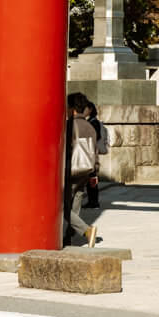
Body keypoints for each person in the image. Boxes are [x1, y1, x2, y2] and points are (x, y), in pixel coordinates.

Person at [64, 92, 99, 247]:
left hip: (71, 170)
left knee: (63, 208)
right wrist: (94, 173)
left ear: (72, 108)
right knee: (75, 205)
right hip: (86, 170)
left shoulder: (69, 125)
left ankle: (87, 230)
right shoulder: (90, 126)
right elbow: (95, 152)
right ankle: (68, 237)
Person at [81, 98, 109, 217]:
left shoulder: (93, 122)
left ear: (90, 109)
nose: (84, 111)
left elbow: (94, 138)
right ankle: (92, 200)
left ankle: (94, 201)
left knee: (92, 177)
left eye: (86, 109)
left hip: (92, 153)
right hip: (91, 153)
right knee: (91, 177)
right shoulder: (92, 122)